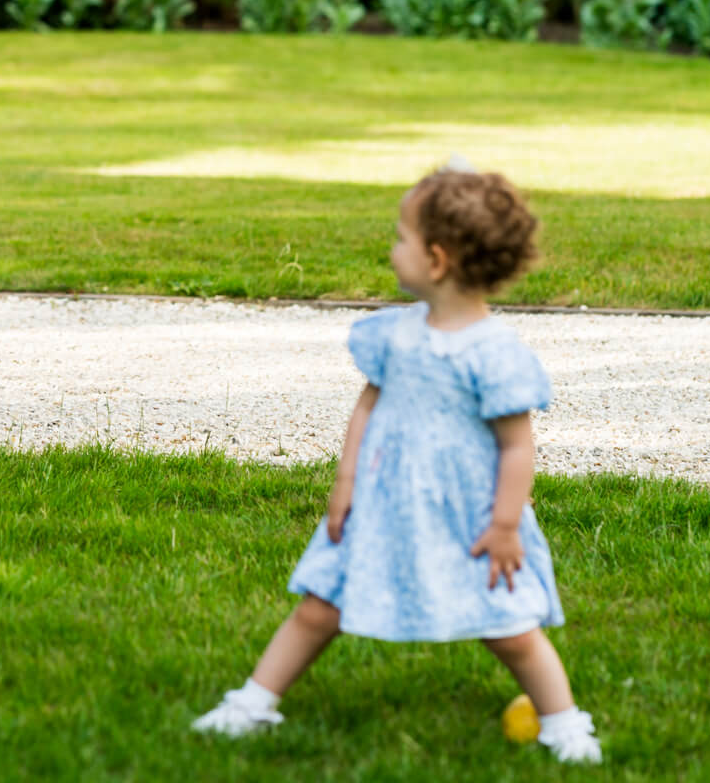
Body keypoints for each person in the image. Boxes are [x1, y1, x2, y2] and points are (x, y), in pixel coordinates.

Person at [191, 164, 603, 766]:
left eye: (400, 236)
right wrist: (346, 482)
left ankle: (564, 724)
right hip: (384, 506)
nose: (391, 248)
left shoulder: (493, 355)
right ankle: (253, 703)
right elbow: (369, 403)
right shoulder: (395, 335)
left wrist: (506, 524)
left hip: (468, 517)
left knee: (508, 627)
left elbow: (517, 446)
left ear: (436, 260)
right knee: (320, 606)